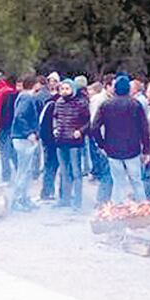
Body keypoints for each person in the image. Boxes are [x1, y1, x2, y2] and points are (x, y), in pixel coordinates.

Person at [93, 75, 150, 205]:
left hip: (112, 150)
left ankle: (117, 208)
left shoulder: (106, 105)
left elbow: (94, 127)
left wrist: (102, 145)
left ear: (115, 89)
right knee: (136, 181)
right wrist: (146, 150)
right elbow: (144, 129)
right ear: (128, 89)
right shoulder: (136, 105)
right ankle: (142, 206)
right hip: (133, 149)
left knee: (118, 181)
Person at [53, 79, 90, 211]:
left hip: (75, 142)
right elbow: (55, 118)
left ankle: (78, 201)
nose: (64, 91)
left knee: (76, 172)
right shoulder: (58, 102)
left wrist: (80, 131)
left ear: (73, 89)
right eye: (62, 89)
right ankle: (65, 199)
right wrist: (55, 128)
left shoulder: (81, 103)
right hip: (61, 140)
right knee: (64, 172)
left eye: (67, 88)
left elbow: (88, 122)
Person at [10, 75, 42, 212]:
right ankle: (18, 199)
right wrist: (29, 132)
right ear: (35, 85)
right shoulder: (27, 98)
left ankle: (24, 198)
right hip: (23, 138)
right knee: (23, 170)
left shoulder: (22, 96)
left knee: (25, 170)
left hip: (20, 137)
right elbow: (19, 115)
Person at [88, 74, 115, 205]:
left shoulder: (110, 99)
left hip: (110, 142)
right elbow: (94, 124)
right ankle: (102, 201)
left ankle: (105, 200)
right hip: (103, 142)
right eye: (114, 86)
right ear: (108, 86)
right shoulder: (99, 100)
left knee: (110, 173)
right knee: (107, 173)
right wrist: (101, 144)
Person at [38, 83, 62, 201]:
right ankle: (49, 192)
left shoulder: (48, 103)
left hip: (47, 139)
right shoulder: (57, 104)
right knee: (54, 165)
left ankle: (47, 192)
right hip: (53, 140)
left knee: (49, 166)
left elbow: (41, 122)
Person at [0, 75, 18, 181]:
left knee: (4, 153)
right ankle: (19, 170)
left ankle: (6, 176)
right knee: (12, 152)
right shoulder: (14, 92)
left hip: (3, 126)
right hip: (12, 126)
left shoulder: (0, 93)